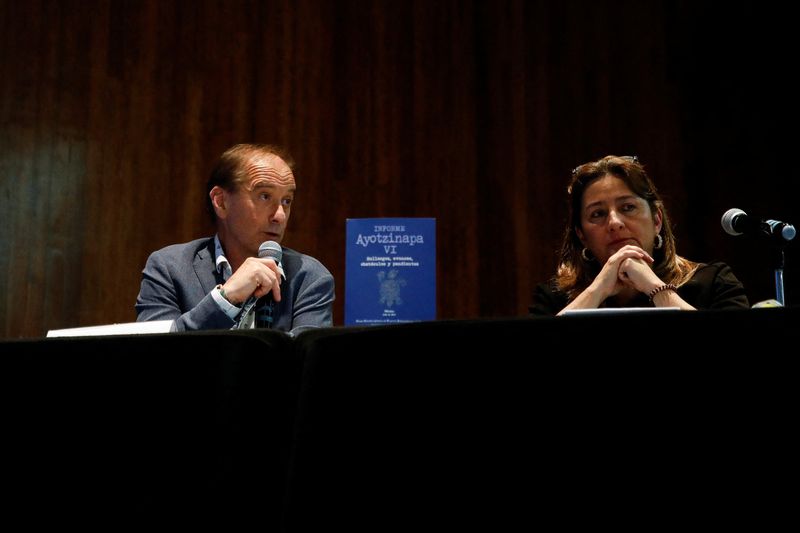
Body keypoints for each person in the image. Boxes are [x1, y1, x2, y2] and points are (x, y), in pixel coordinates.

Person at [136, 143, 335, 334]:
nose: (280, 216)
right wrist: (226, 298)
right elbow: (155, 353)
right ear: (221, 202)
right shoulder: (169, 268)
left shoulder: (309, 278)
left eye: (287, 201)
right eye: (264, 196)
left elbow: (307, 363)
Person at [529, 155, 749, 316]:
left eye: (627, 208)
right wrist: (598, 290)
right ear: (582, 235)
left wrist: (655, 287)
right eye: (598, 214)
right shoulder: (554, 299)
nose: (614, 223)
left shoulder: (713, 282)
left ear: (656, 221)